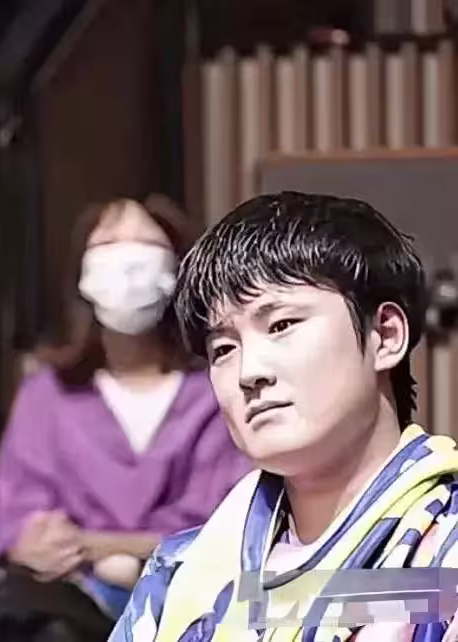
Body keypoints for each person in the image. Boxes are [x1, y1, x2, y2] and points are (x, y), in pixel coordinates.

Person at [110, 191, 458, 642]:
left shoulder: (443, 557)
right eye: (223, 349)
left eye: (281, 325)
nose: (249, 372)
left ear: (385, 336)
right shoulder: (180, 573)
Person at [0, 196, 250, 641]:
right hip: (67, 604)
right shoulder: (48, 392)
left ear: (177, 267)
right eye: (108, 243)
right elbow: (20, 515)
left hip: (193, 598)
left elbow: (224, 522)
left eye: (145, 243)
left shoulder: (215, 389)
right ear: (82, 273)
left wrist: (97, 545)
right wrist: (40, 544)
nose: (127, 260)